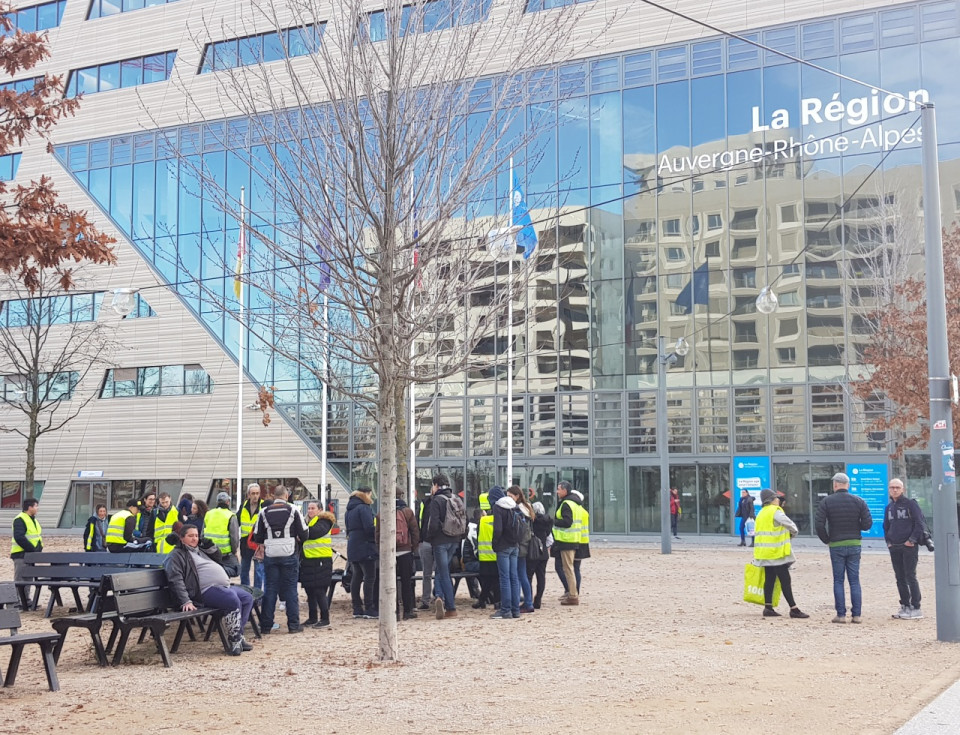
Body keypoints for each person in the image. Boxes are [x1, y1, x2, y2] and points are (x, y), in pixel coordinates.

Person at [164, 524, 255, 656]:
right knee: (231, 599)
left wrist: (209, 545)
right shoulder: (177, 555)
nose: (194, 539)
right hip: (202, 591)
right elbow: (175, 580)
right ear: (181, 538)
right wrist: (185, 601)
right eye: (190, 536)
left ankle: (238, 636)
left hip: (222, 587)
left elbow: (218, 557)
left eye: (196, 535)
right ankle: (234, 640)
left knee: (247, 598)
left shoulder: (200, 550)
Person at [815, 472, 873, 624]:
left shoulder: (826, 502)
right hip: (854, 543)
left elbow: (819, 525)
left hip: (836, 544)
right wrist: (856, 528)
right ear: (848, 484)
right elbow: (867, 524)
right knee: (854, 580)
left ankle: (841, 615)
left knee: (838, 580)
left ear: (835, 485)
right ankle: (857, 615)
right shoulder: (859, 501)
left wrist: (827, 539)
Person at [252, 485, 308, 633]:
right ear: (286, 495)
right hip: (289, 552)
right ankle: (294, 625)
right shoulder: (293, 510)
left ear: (273, 496)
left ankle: (265, 626)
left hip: (271, 553)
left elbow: (257, 535)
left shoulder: (264, 512)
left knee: (270, 589)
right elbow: (304, 533)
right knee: (290, 589)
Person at [753, 489, 809, 619]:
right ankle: (794, 609)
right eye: (776, 498)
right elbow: (792, 526)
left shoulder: (761, 513)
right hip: (776, 552)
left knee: (769, 579)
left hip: (764, 552)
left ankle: (768, 607)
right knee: (785, 580)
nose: (778, 500)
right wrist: (790, 536)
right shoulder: (775, 511)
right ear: (772, 500)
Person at [883, 478, 925, 620]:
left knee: (910, 576)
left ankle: (916, 607)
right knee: (899, 578)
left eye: (897, 487)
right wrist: (888, 542)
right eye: (892, 487)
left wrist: (911, 540)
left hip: (908, 547)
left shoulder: (910, 504)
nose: (895, 490)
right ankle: (905, 605)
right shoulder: (889, 507)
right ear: (889, 489)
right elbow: (886, 526)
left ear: (903, 489)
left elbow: (919, 523)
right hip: (894, 546)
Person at [376, 491, 420, 621]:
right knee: (406, 582)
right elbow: (415, 531)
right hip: (405, 551)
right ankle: (407, 611)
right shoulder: (407, 512)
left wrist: (381, 550)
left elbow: (377, 535)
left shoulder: (381, 513)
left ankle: (393, 612)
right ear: (401, 496)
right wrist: (412, 548)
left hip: (389, 553)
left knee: (390, 583)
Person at [424, 473, 462, 620]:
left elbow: (433, 524)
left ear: (435, 486)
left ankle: (451, 607)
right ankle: (439, 595)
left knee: (444, 573)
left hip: (440, 541)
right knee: (441, 569)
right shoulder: (456, 498)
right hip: (454, 540)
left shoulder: (436, 501)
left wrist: (429, 537)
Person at [300, 501, 336, 628]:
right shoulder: (306, 522)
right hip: (308, 560)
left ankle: (325, 618)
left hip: (321, 560)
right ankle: (312, 617)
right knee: (310, 591)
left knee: (319, 590)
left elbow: (313, 533)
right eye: (309, 508)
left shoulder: (325, 521)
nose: (310, 511)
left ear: (320, 510)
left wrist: (302, 533)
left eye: (313, 508)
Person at [345, 485, 379, 619]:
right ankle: (369, 608)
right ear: (366, 494)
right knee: (370, 577)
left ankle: (357, 607)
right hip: (365, 545)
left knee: (356, 577)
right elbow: (369, 528)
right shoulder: (364, 508)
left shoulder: (349, 508)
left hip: (353, 545)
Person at [490, 486, 520, 619]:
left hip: (503, 546)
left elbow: (497, 529)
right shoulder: (514, 506)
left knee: (504, 578)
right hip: (515, 545)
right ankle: (515, 610)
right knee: (514, 578)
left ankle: (505, 610)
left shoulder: (498, 507)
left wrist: (495, 543)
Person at [552, 480, 582, 606]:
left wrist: (554, 521)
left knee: (568, 569)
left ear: (565, 490)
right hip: (573, 539)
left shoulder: (566, 504)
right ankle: (572, 594)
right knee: (570, 568)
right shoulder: (575, 503)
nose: (557, 491)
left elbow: (567, 522)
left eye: (559, 489)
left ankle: (573, 595)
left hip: (566, 540)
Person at [509, 486, 536, 614]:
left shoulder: (518, 510)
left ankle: (525, 602)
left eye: (510, 496)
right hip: (526, 544)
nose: (509, 499)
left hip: (520, 545)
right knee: (522, 574)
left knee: (519, 575)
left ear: (517, 496)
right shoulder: (527, 508)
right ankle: (528, 601)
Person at [11, 498, 42, 606]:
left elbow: (36, 537)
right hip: (21, 554)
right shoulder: (20, 519)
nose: (37, 508)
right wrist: (32, 549)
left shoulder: (33, 519)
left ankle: (26, 601)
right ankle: (17, 601)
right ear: (30, 507)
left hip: (30, 555)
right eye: (36, 506)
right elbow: (19, 537)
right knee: (20, 579)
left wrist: (38, 549)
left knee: (28, 578)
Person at [473, 488, 500, 610]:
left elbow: (478, 535)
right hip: (496, 555)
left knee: (487, 581)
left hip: (484, 556)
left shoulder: (483, 521)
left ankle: (482, 600)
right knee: (497, 581)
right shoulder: (499, 520)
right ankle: (497, 602)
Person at [204, 492, 241, 577]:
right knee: (236, 570)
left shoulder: (209, 514)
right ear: (228, 502)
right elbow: (234, 537)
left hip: (210, 552)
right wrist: (234, 551)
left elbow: (203, 533)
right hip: (225, 554)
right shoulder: (231, 515)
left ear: (217, 502)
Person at [237, 483, 266, 590]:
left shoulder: (263, 506)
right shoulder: (243, 505)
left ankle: (257, 594)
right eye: (253, 493)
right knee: (244, 570)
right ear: (248, 494)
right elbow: (237, 521)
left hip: (258, 542)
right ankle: (246, 592)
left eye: (257, 493)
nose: (255, 496)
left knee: (258, 571)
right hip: (245, 542)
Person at [528, 501, 553, 609]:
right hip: (543, 553)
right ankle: (538, 600)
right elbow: (550, 539)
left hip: (532, 552)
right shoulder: (547, 522)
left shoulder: (531, 522)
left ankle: (528, 600)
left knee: (528, 577)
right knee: (541, 577)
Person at [417, 489, 435, 611]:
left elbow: (418, 521)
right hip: (431, 542)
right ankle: (432, 598)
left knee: (427, 574)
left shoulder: (425, 503)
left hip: (428, 541)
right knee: (432, 573)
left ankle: (428, 599)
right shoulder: (424, 503)